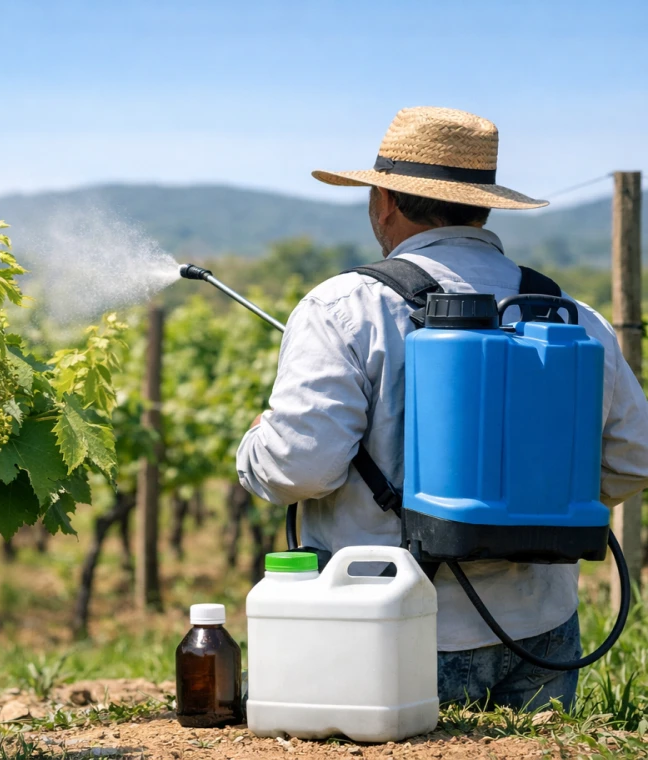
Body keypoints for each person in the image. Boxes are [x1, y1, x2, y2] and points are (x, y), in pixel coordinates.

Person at [235, 106, 648, 710]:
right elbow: (634, 458)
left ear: (384, 200)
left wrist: (257, 443)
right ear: (484, 204)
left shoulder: (343, 307)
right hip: (542, 632)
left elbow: (301, 468)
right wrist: (537, 508)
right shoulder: (572, 316)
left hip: (392, 625)